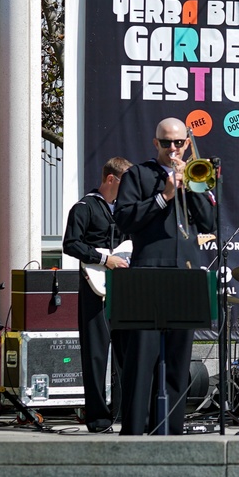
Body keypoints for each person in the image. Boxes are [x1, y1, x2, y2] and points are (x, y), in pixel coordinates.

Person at [113, 117, 215, 435]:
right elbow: (125, 220)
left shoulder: (195, 176)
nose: (174, 148)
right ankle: (133, 428)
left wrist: (191, 187)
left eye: (179, 142)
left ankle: (170, 429)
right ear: (155, 143)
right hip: (148, 273)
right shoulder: (137, 175)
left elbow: (210, 220)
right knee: (141, 358)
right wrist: (165, 196)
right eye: (167, 142)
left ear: (187, 143)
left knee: (177, 359)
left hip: (184, 275)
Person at [62, 156, 133, 433]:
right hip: (95, 286)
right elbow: (71, 244)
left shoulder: (125, 209)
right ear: (111, 179)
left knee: (127, 353)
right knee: (95, 355)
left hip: (124, 289)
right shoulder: (85, 206)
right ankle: (98, 419)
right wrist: (105, 260)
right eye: (125, 182)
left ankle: (129, 413)